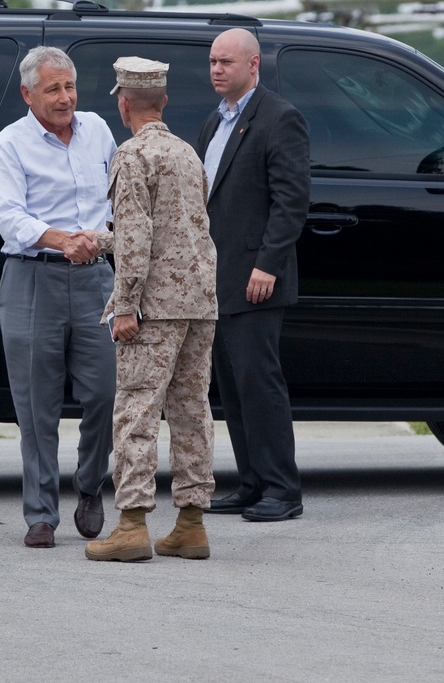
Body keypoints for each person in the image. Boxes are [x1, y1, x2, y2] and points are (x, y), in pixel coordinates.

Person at [80, 57, 218, 563]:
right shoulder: (186, 153)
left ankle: (133, 524)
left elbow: (137, 237)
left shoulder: (132, 155)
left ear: (123, 104)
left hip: (155, 306)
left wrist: (124, 306)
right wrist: (98, 240)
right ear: (163, 102)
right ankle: (191, 524)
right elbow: (182, 229)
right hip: (200, 303)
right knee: (191, 411)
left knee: (137, 409)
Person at [0, 46, 116, 549]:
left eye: (70, 87)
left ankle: (90, 485)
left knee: (105, 390)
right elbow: (10, 217)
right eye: (53, 89)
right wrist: (62, 239)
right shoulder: (10, 144)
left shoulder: (98, 131)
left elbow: (115, 198)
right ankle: (41, 514)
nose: (65, 98)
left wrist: (99, 240)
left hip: (95, 278)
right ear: (28, 94)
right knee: (36, 405)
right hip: (33, 277)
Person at [197, 28, 310, 522]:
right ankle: (251, 484)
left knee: (260, 385)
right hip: (217, 281)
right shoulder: (214, 123)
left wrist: (268, 263)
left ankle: (282, 490)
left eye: (226, 61)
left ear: (253, 65)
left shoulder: (279, 118)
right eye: (212, 61)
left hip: (256, 278)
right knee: (234, 387)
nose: (216, 69)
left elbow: (291, 202)